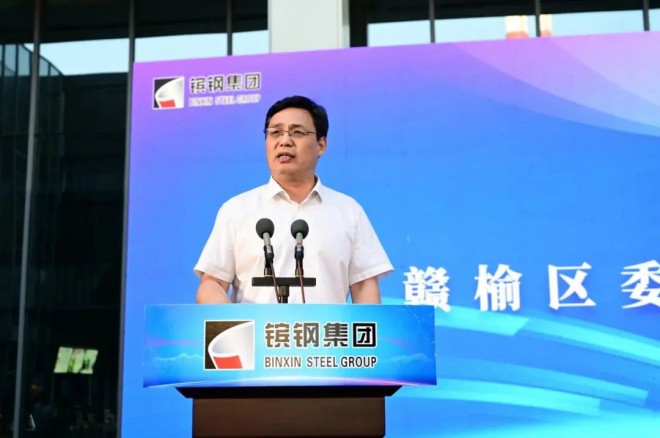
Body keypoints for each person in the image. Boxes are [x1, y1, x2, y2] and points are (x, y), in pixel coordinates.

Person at [194, 95, 392, 304]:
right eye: (275, 133)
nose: (284, 141)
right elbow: (212, 283)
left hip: (326, 326)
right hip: (257, 326)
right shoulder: (237, 210)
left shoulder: (348, 211)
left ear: (321, 145)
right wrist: (233, 321)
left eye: (297, 132)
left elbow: (364, 286)